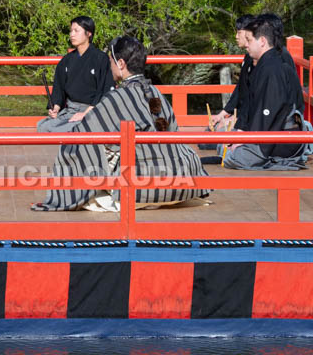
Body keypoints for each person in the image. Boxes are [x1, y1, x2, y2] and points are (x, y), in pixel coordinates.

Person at [32, 35, 209, 211]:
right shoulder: (156, 92)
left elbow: (83, 133)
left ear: (121, 64)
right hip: (181, 177)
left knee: (80, 146)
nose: (109, 65)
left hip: (145, 181)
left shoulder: (118, 97)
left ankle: (69, 197)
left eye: (111, 60)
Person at [221, 15, 307, 170]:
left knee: (232, 156)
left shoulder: (273, 68)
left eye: (250, 40)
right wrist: (241, 132)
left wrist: (245, 138)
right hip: (266, 132)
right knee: (225, 146)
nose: (246, 45)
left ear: (262, 41)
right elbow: (252, 104)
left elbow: (270, 112)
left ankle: (272, 159)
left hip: (280, 139)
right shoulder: (263, 64)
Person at [37, 16, 114, 133]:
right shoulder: (67, 60)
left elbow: (105, 91)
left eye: (76, 31)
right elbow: (59, 88)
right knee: (42, 126)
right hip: (70, 110)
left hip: (92, 111)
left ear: (88, 33)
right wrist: (56, 108)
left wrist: (85, 113)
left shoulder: (101, 59)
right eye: (71, 31)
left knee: (73, 129)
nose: (72, 35)